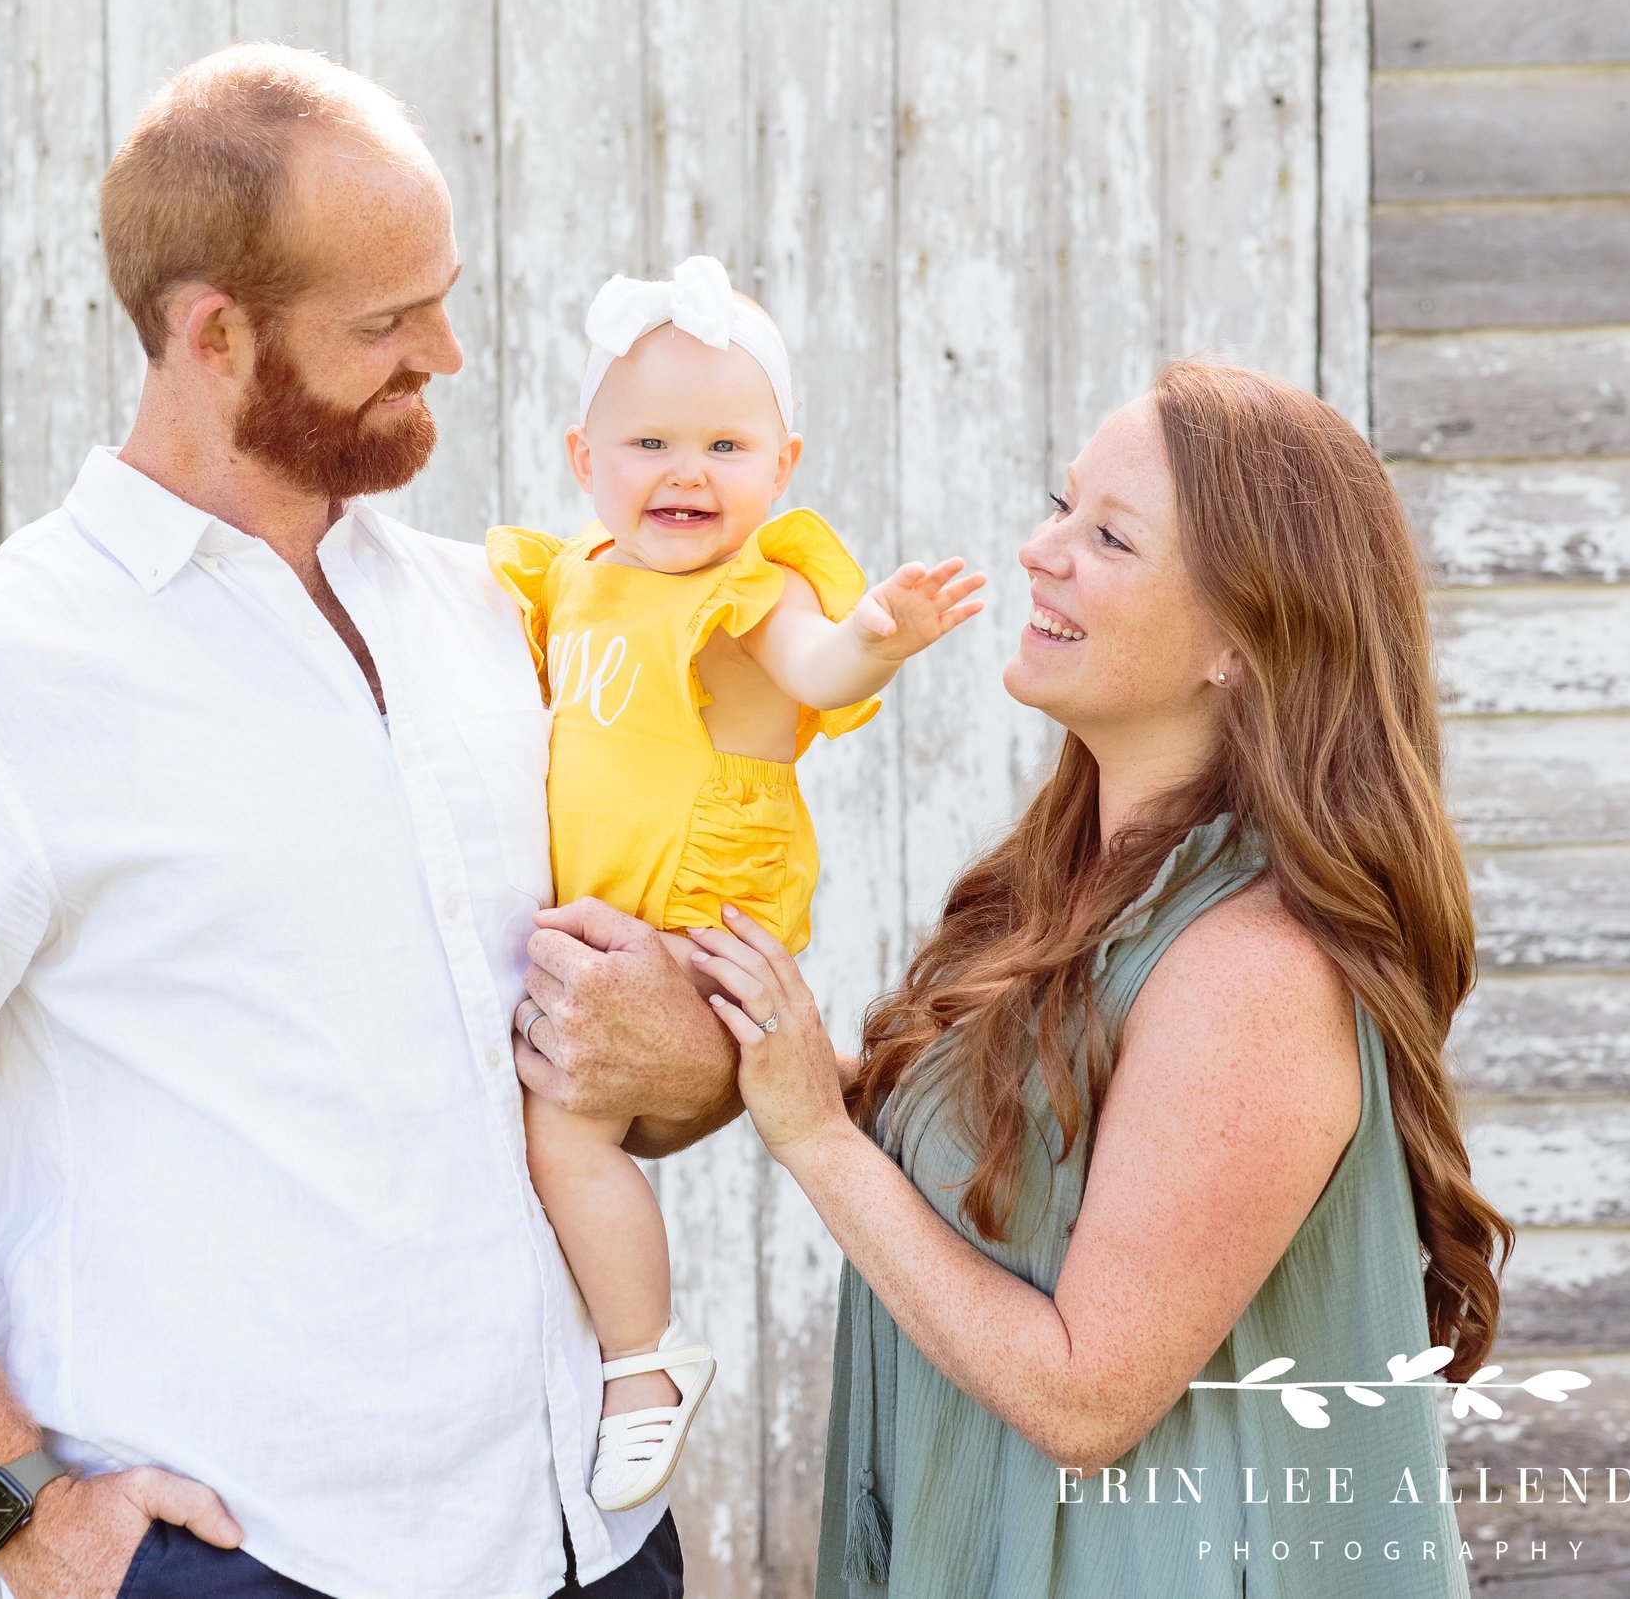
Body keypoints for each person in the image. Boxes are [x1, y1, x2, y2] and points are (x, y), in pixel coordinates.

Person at [0, 43, 731, 1599]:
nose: (449, 354)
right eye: (387, 323)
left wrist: (684, 1057)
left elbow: (602, 1066)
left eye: (443, 295)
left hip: (586, 1536)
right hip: (253, 1559)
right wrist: (22, 1512)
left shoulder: (497, 614)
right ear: (213, 335)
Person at [530, 360, 1514, 1596]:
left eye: (1107, 535)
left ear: (1240, 638)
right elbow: (980, 1174)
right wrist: (725, 1050)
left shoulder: (1252, 969)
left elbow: (1086, 1390)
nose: (1040, 550)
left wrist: (813, 1135)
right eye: (1062, 504)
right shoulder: (1070, 889)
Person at [485, 253, 985, 1511]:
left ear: (782, 466)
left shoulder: (752, 591)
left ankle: (640, 1360)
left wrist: (879, 631)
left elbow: (820, 673)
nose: (685, 470)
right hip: (600, 914)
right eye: (647, 439)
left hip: (693, 918)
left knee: (567, 1127)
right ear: (581, 456)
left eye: (723, 443)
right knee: (540, 1120)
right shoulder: (573, 576)